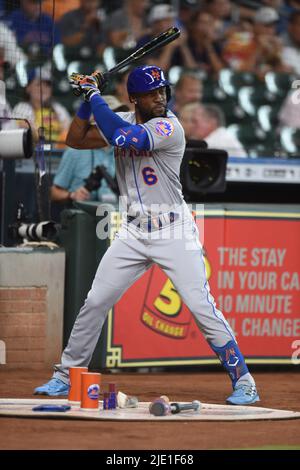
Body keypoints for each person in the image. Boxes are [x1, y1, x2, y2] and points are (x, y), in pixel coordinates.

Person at [34, 64, 259, 405]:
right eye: (152, 93)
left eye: (162, 91)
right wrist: (84, 99)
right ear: (135, 98)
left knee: (201, 306)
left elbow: (125, 138)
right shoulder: (122, 119)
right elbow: (75, 139)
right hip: (134, 232)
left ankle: (244, 380)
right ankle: (65, 374)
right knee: (95, 301)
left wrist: (93, 93)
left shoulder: (169, 126)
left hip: (174, 230)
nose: (160, 97)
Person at [51, 96, 128, 204]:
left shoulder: (125, 150)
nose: (116, 121)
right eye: (111, 116)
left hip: (114, 215)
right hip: (82, 215)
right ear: (96, 120)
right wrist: (72, 195)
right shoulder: (75, 152)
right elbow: (54, 192)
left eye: (119, 115)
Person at [180, 103, 248, 157]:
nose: (192, 126)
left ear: (211, 122)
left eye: (195, 121)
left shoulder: (217, 141)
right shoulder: (221, 135)